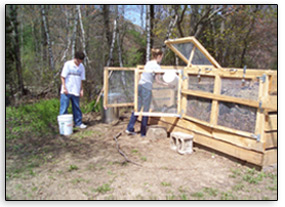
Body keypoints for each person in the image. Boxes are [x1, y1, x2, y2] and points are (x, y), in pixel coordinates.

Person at [126, 48, 169, 137]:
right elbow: (158, 80)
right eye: (161, 57)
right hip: (146, 88)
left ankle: (129, 128)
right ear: (159, 56)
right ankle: (143, 132)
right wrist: (167, 84)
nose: (161, 59)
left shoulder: (149, 63)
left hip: (140, 86)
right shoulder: (157, 66)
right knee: (146, 110)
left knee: (137, 108)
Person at [59, 51, 87, 129]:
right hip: (67, 90)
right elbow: (62, 77)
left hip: (76, 90)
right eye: (78, 61)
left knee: (76, 107)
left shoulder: (81, 67)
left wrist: (81, 89)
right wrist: (64, 87)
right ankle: (63, 125)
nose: (79, 63)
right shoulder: (68, 64)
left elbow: (81, 79)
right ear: (75, 58)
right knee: (64, 107)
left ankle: (78, 122)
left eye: (81, 61)